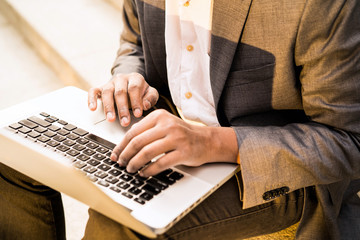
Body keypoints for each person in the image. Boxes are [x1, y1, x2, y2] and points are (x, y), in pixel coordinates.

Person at [1, 0, 359, 239]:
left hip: (266, 169)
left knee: (117, 225)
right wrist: (129, 78)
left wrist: (210, 142)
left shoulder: (316, 6)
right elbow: (135, 43)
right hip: (163, 126)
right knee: (8, 153)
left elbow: (347, 141)